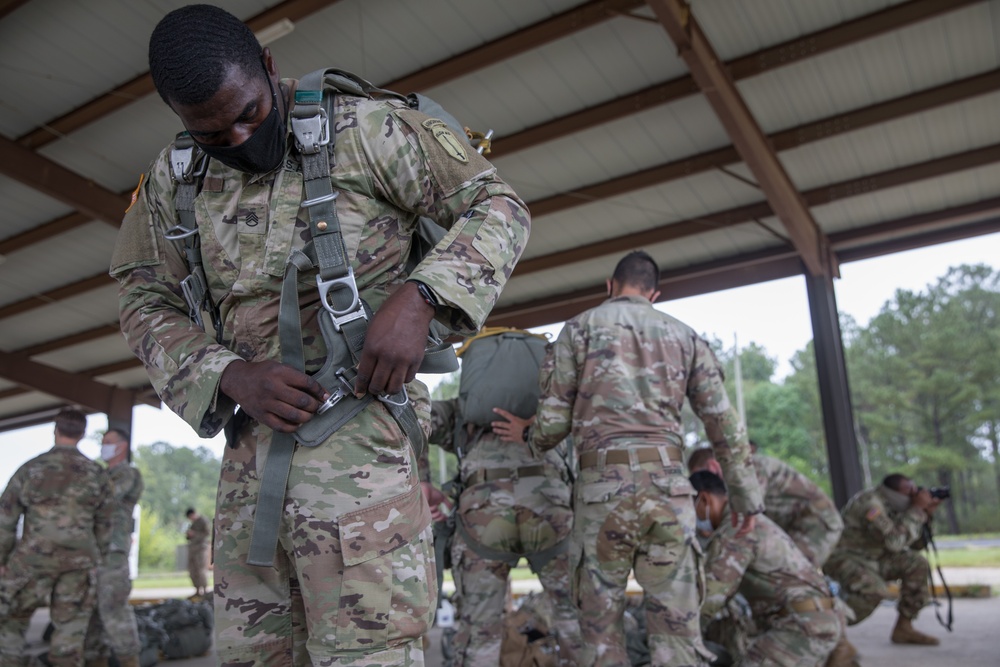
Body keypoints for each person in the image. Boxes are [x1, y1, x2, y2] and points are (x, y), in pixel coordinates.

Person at [111, 5, 528, 665]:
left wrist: (422, 298)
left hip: (365, 470)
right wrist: (226, 374)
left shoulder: (368, 131)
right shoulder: (174, 178)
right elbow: (142, 294)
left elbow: (498, 207)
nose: (242, 136)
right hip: (250, 483)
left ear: (269, 70)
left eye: (250, 111)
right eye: (214, 131)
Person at [493, 250, 763, 667]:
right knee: (676, 633)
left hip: (602, 494)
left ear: (609, 286)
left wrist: (529, 434)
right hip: (669, 493)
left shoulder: (578, 330)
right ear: (654, 294)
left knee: (601, 635)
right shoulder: (685, 336)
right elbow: (723, 425)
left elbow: (549, 428)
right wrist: (745, 498)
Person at [424, 395, 581, 666]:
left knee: (480, 633)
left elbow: (413, 419)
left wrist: (422, 481)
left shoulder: (465, 408)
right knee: (575, 623)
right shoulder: (556, 405)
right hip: (550, 509)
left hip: (483, 515)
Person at [691, 471, 844, 667]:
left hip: (800, 626)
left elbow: (712, 596)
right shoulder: (745, 520)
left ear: (704, 498)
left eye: (690, 509)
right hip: (811, 621)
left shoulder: (737, 528)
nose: (692, 519)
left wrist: (675, 633)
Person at [0, 408, 113, 667]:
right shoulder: (97, 474)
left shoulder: (30, 469)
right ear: (82, 434)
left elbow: (5, 519)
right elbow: (106, 525)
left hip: (32, 559)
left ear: (55, 430)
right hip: (79, 562)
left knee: (12, 622)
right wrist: (99, 558)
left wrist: (2, 558)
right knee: (70, 630)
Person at [823, 473, 942, 648]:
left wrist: (926, 515)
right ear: (893, 492)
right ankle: (823, 629)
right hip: (845, 558)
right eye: (909, 492)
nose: (915, 496)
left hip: (876, 558)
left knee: (917, 564)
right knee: (875, 591)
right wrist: (916, 509)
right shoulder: (871, 505)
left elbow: (917, 545)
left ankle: (904, 628)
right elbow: (894, 543)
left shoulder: (896, 505)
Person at [688, 441, 843, 567]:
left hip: (817, 523)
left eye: (702, 473)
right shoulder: (736, 482)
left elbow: (749, 514)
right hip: (797, 526)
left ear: (713, 466)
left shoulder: (750, 467)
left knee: (794, 573)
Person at [84, 428, 145, 667]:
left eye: (108, 442)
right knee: (91, 616)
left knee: (114, 611)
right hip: (91, 553)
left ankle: (130, 660)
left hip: (112, 552)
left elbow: (102, 497)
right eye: (103, 442)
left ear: (121, 446)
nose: (103, 446)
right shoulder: (100, 475)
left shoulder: (127, 474)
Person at [185, 508, 211, 598]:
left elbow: (207, 533)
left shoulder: (203, 521)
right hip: (193, 548)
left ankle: (204, 590)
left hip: (201, 548)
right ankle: (197, 590)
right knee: (192, 570)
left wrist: (194, 534)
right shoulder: (192, 524)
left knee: (201, 570)